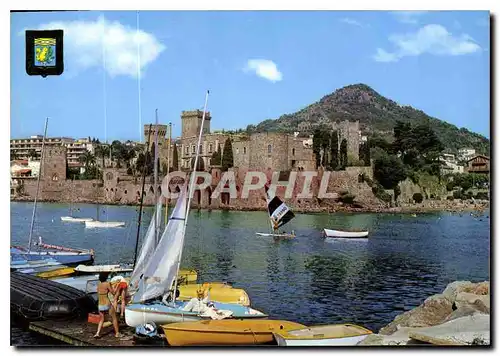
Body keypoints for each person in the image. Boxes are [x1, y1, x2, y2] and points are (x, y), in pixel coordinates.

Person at [94, 272, 123, 339]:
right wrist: (117, 286)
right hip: (107, 303)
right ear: (106, 277)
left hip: (100, 304)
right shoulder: (107, 284)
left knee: (101, 319)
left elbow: (99, 292)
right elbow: (113, 292)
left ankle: (97, 333)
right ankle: (117, 333)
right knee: (114, 318)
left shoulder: (98, 285)